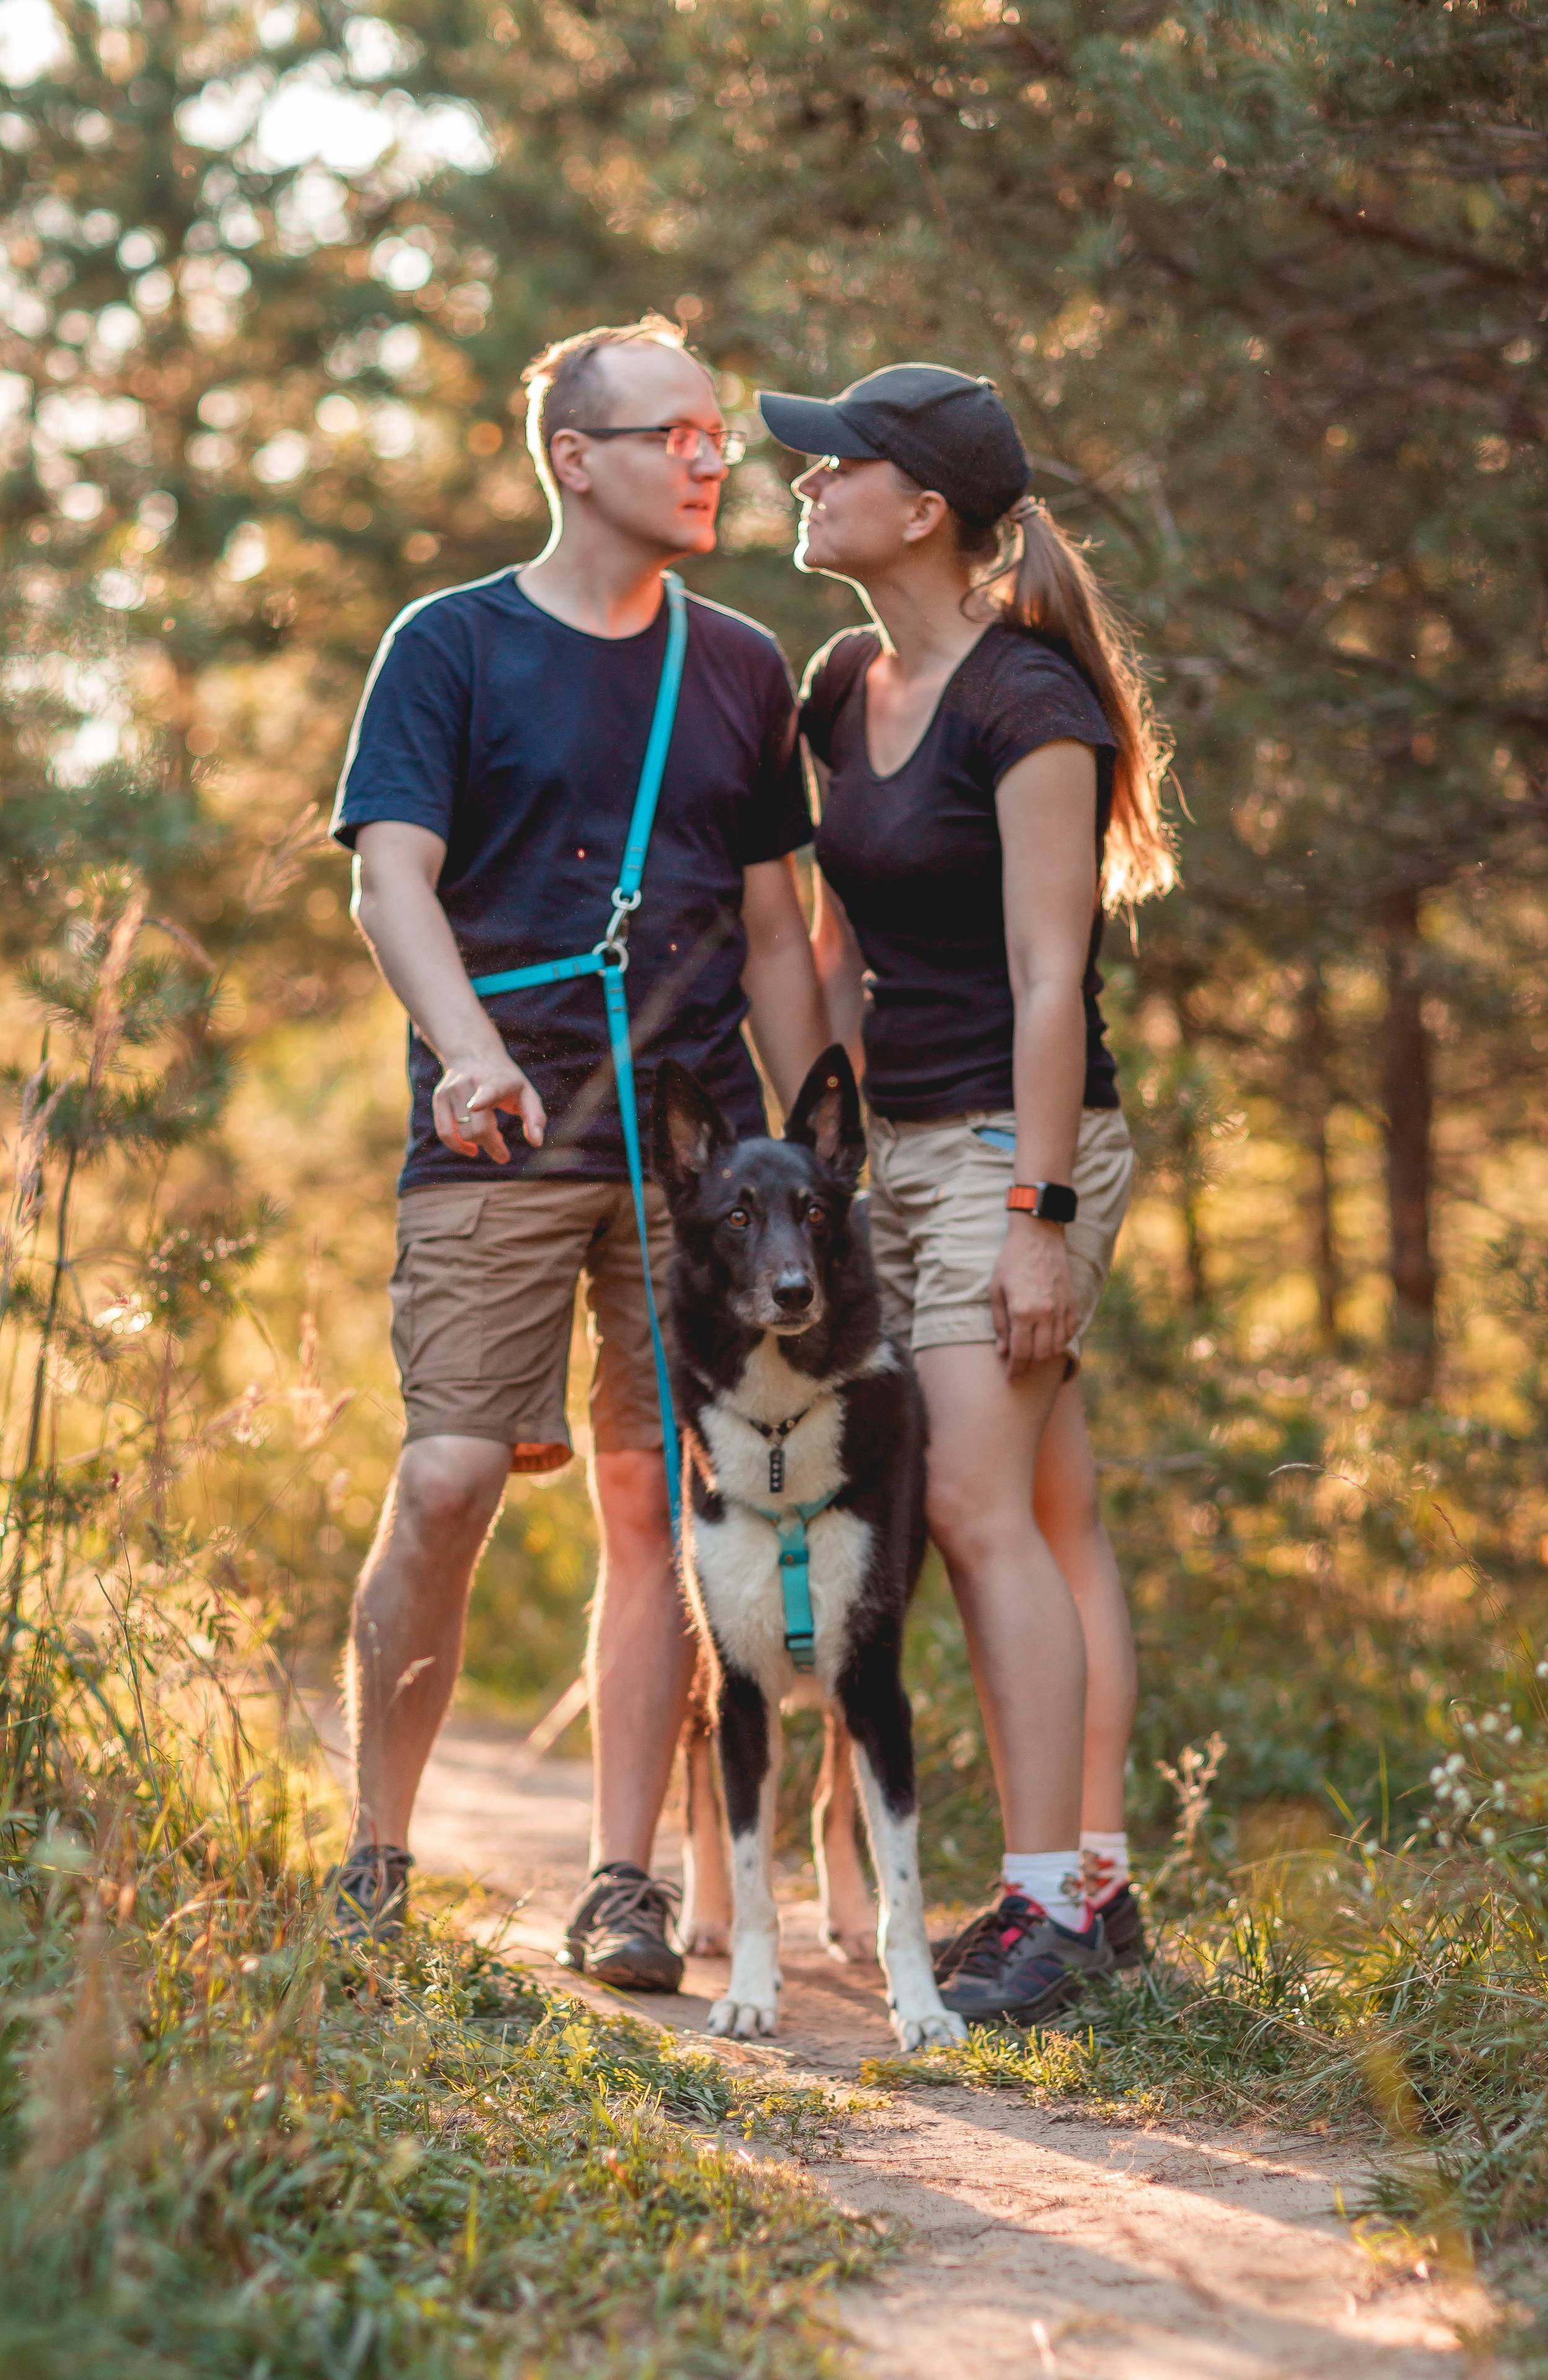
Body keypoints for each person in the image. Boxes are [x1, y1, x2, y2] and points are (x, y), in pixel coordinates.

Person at [328, 314, 828, 1983]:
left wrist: (814, 1145)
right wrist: (465, 1050)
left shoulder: (744, 664)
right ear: (576, 458)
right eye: (676, 433)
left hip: (697, 1164)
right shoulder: (448, 646)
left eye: (717, 438)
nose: (712, 457)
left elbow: (774, 928)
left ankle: (625, 1885)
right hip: (506, 1117)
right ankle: (377, 1858)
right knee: (454, 1473)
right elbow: (389, 876)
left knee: (660, 1506)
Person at [758, 363, 1177, 2025]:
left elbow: (1048, 981)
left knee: (971, 1510)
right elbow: (834, 949)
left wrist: (1041, 1218)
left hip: (1018, 1140)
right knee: (1052, 1512)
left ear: (918, 508)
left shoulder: (1032, 705)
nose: (802, 484)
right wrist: (827, 1153)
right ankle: (1100, 1882)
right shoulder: (841, 676)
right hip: (904, 1149)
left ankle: (1042, 1908)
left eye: (829, 466)